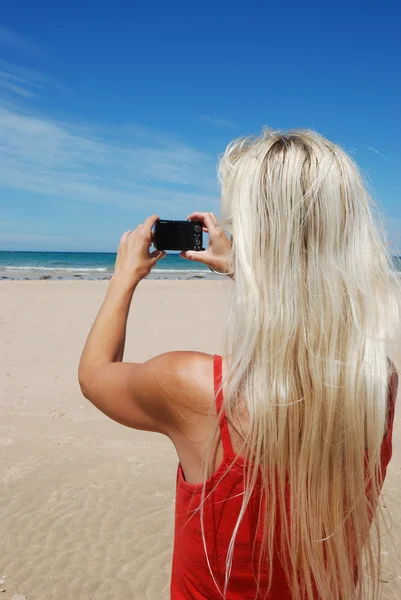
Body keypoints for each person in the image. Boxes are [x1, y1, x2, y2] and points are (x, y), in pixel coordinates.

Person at [78, 129, 399, 600]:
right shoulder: (376, 381)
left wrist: (124, 276)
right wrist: (248, 268)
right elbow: (306, 307)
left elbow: (94, 376)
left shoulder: (196, 388)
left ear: (254, 245)